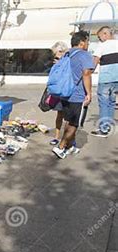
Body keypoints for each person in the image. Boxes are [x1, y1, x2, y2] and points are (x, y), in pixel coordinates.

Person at [52, 31, 94, 159]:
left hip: (65, 93)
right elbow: (86, 73)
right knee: (74, 124)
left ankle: (70, 146)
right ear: (82, 42)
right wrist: (89, 93)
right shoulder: (84, 55)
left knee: (69, 121)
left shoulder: (67, 54)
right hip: (77, 95)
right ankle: (60, 147)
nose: (88, 44)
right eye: (87, 41)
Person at [91, 26, 118, 137]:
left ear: (105, 34)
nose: (99, 39)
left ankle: (104, 129)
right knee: (111, 103)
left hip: (106, 79)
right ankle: (109, 125)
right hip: (117, 79)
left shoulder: (102, 46)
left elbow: (94, 62)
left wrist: (88, 72)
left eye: (99, 36)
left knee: (104, 103)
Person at [49, 41, 69, 146]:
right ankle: (57, 136)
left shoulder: (68, 60)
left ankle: (66, 138)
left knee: (67, 116)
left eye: (57, 53)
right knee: (59, 114)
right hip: (58, 91)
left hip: (67, 90)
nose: (56, 56)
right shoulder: (57, 62)